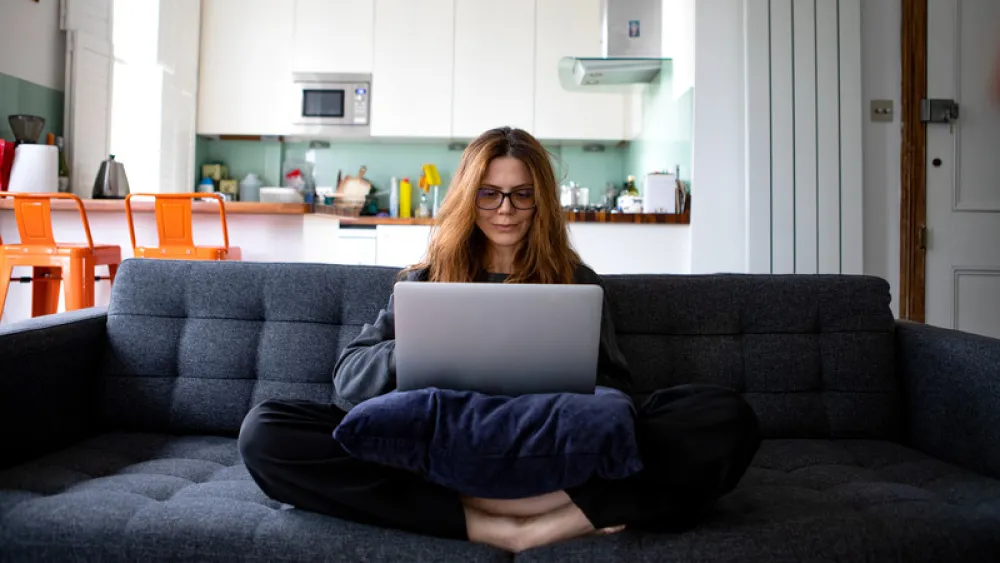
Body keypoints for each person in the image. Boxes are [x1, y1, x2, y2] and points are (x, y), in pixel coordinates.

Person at [238, 127, 761, 554]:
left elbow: (616, 389)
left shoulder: (578, 283)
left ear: (541, 203)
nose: (505, 208)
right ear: (469, 197)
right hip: (438, 450)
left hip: (547, 449)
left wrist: (560, 366)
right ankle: (506, 525)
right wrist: (424, 346)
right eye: (489, 193)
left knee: (723, 417)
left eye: (521, 194)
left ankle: (539, 515)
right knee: (267, 430)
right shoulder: (426, 282)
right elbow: (348, 383)